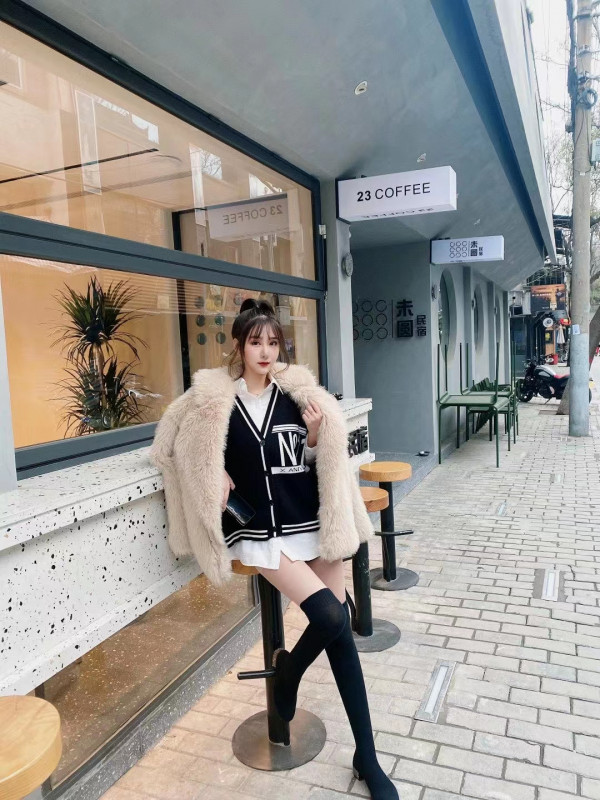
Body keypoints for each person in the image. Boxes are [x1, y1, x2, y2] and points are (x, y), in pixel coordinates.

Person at [150, 299, 399, 799]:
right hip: (261, 533)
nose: (265, 352)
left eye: (273, 343)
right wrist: (212, 472)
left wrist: (314, 435)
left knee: (340, 633)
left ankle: (366, 755)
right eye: (255, 342)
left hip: (310, 521)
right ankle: (287, 677)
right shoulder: (215, 403)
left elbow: (311, 461)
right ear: (238, 346)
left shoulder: (295, 395)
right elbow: (167, 448)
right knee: (328, 616)